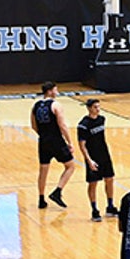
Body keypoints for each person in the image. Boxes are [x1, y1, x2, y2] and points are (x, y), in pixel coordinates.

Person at [32, 81, 76, 209]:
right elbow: (62, 125)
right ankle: (57, 191)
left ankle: (41, 199)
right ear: (50, 91)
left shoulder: (36, 105)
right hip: (56, 140)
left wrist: (43, 135)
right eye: (56, 90)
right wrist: (69, 142)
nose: (57, 92)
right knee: (70, 166)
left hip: (43, 141)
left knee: (43, 170)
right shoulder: (56, 105)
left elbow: (33, 125)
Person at [78, 99, 118, 221]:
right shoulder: (83, 125)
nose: (98, 109)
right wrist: (89, 160)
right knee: (93, 183)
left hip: (104, 154)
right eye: (95, 107)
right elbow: (82, 145)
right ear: (89, 108)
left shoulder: (102, 119)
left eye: (99, 107)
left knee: (110, 179)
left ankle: (110, 206)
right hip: (93, 157)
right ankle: (94, 209)